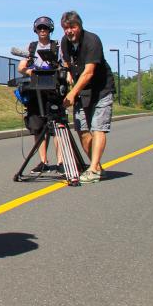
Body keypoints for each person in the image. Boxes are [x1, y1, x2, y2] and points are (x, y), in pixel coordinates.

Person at [59, 11, 115, 184]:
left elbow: (88, 72)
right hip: (82, 91)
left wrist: (72, 92)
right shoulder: (64, 43)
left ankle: (92, 169)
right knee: (82, 130)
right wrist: (68, 75)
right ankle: (97, 167)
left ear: (80, 26)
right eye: (66, 28)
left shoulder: (92, 41)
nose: (69, 31)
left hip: (101, 90)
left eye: (72, 27)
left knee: (98, 128)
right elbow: (68, 63)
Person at [17, 16, 63, 173]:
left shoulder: (58, 46)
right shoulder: (31, 47)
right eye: (39, 28)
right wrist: (32, 71)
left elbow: (65, 65)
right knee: (37, 127)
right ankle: (43, 161)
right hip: (36, 92)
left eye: (45, 28)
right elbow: (21, 67)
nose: (42, 30)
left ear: (50, 30)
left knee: (57, 126)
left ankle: (61, 162)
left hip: (54, 91)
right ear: (35, 30)